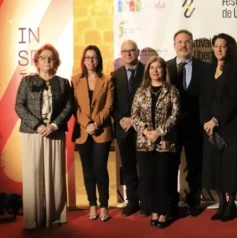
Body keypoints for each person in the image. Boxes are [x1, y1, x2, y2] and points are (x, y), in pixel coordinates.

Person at [15, 43, 73, 229]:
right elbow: (19, 106)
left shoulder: (63, 83)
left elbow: (69, 106)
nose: (47, 60)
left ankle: (54, 215)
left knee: (55, 173)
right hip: (32, 133)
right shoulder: (27, 81)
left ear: (56, 62)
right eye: (43, 58)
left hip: (55, 133)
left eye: (51, 58)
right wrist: (38, 125)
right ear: (37, 62)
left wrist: (55, 125)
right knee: (34, 173)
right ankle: (33, 218)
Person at [200, 33, 237, 222]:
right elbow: (203, 99)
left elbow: (234, 99)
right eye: (215, 46)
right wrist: (206, 122)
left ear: (230, 48)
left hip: (232, 128)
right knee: (216, 168)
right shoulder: (208, 70)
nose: (219, 49)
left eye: (223, 46)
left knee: (231, 169)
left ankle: (231, 203)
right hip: (212, 130)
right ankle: (221, 204)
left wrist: (215, 120)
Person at [166, 29, 211, 217]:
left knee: (195, 167)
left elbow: (209, 98)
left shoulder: (205, 67)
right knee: (170, 166)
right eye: (179, 42)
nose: (183, 45)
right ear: (174, 45)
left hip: (196, 126)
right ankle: (171, 203)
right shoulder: (164, 67)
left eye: (187, 41)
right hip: (170, 128)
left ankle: (194, 201)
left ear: (192, 45)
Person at [131, 56, 180, 229]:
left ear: (164, 70)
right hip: (144, 143)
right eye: (152, 67)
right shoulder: (141, 91)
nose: (155, 70)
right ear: (148, 71)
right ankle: (154, 211)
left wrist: (159, 132)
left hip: (165, 143)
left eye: (159, 67)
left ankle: (164, 212)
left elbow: (175, 116)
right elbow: (134, 116)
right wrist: (146, 131)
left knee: (163, 178)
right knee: (148, 179)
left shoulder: (172, 90)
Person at [72, 45, 114, 222]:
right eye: (87, 57)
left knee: (100, 169)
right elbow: (74, 107)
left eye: (94, 57)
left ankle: (104, 205)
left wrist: (95, 123)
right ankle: (92, 205)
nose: (91, 60)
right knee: (87, 171)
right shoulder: (75, 80)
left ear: (99, 60)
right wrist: (87, 123)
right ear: (83, 60)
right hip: (83, 132)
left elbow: (109, 106)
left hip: (101, 131)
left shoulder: (107, 80)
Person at [111, 40, 148, 217]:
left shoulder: (149, 72)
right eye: (124, 51)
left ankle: (147, 201)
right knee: (128, 168)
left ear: (138, 51)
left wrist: (135, 120)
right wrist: (123, 120)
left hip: (144, 129)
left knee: (145, 167)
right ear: (121, 53)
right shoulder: (114, 75)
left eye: (131, 50)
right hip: (123, 130)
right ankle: (132, 201)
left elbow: (151, 102)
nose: (128, 54)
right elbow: (112, 104)